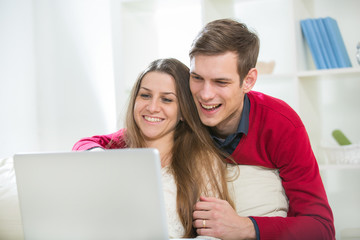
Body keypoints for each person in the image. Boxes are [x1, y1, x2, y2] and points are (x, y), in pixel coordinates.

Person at [73, 58, 289, 239]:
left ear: (184, 112)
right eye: (145, 95)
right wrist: (96, 158)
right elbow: (84, 145)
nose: (152, 107)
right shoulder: (116, 152)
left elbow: (210, 235)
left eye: (167, 99)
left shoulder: (201, 161)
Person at [189, 19, 335, 240]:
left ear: (248, 81)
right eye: (197, 78)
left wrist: (245, 227)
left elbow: (321, 227)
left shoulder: (282, 124)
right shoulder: (180, 110)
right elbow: (125, 139)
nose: (205, 94)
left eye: (221, 82)